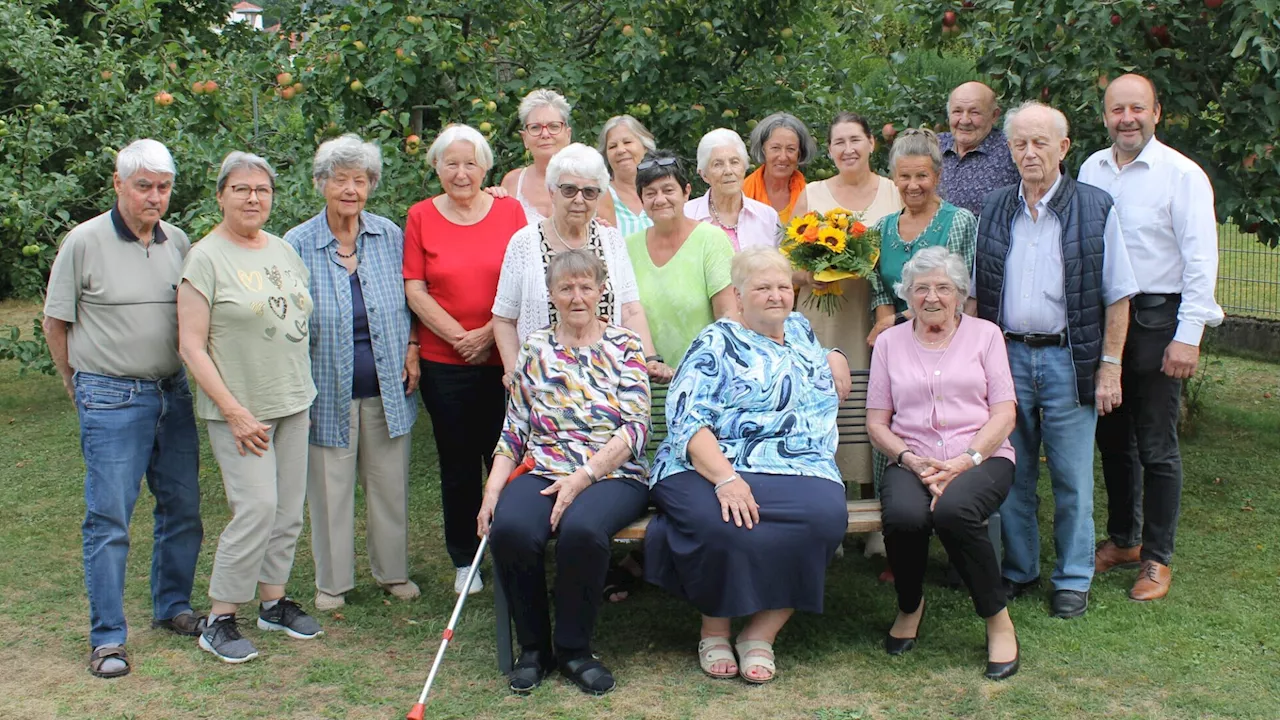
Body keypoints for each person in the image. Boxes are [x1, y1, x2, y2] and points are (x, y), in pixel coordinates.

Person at [645, 248, 853, 685]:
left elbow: (814, 358)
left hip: (798, 463)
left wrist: (835, 355)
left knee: (824, 519)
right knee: (724, 521)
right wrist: (726, 479)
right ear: (738, 296)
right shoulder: (715, 342)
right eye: (762, 288)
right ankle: (715, 628)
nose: (776, 296)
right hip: (711, 460)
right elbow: (688, 420)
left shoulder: (798, 330)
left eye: (782, 287)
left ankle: (760, 632)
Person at [43, 139, 204, 679]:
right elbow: (55, 323)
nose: (154, 197)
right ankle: (108, 639)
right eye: (143, 187)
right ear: (118, 184)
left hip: (172, 392)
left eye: (163, 187)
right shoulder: (83, 241)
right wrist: (76, 384)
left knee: (182, 507)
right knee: (110, 519)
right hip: (110, 396)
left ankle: (173, 607)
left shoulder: (177, 240)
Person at [971, 102, 1139, 619]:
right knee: (1012, 472)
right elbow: (979, 292)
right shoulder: (996, 207)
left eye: (1040, 142)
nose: (1029, 152)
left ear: (1063, 148)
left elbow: (1118, 295)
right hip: (1008, 357)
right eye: (1020, 143)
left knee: (1071, 477)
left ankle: (1072, 577)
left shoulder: (1095, 206)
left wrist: (1109, 365)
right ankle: (1019, 570)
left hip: (1069, 359)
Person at [477, 250, 652, 696]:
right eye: (566, 288)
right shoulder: (535, 348)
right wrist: (493, 490)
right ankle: (534, 649)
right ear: (552, 294)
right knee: (512, 529)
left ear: (601, 291)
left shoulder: (625, 346)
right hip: (542, 468)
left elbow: (635, 428)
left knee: (582, 531)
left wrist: (583, 477)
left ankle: (574, 649)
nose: (577, 296)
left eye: (586, 286)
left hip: (613, 474)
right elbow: (514, 428)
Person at [1080, 73, 1224, 601]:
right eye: (1117, 110)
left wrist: (1189, 336)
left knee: (1158, 446)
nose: (1127, 119)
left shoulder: (1181, 175)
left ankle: (1158, 558)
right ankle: (1124, 540)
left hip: (1161, 319)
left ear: (1157, 112)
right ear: (1105, 115)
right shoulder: (1091, 167)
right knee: (1112, 439)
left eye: (1137, 108)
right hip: (1105, 319)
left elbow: (1201, 260)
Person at [178, 151, 321, 663]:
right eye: (241, 188)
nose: (253, 197)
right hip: (243, 412)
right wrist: (234, 411)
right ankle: (219, 619)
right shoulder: (205, 258)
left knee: (286, 513)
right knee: (255, 509)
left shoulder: (282, 250)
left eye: (262, 189)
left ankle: (274, 602)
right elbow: (191, 346)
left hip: (292, 400)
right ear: (220, 195)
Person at [866, 247, 1020, 680]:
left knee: (955, 512)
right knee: (904, 515)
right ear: (907, 296)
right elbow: (877, 422)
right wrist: (912, 460)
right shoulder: (891, 342)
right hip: (911, 457)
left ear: (959, 294)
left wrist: (964, 461)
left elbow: (1005, 413)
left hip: (982, 456)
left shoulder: (986, 335)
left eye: (943, 288)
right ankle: (910, 605)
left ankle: (997, 620)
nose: (932, 297)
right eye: (921, 289)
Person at [283, 134, 421, 612]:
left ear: (371, 186)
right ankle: (332, 582)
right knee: (329, 491)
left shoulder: (389, 236)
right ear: (321, 183)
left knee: (389, 487)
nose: (349, 189)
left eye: (359, 180)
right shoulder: (296, 243)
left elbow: (412, 301)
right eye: (339, 179)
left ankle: (393, 573)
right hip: (326, 392)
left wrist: (414, 346)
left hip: (388, 389)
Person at [404, 124, 527, 595]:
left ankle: (509, 546)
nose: (461, 173)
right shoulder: (420, 216)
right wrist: (459, 337)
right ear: (436, 167)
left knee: (507, 456)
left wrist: (486, 334)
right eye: (451, 163)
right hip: (444, 362)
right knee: (457, 462)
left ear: (486, 168)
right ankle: (464, 558)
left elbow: (522, 278)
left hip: (503, 360)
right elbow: (415, 287)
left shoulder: (510, 211)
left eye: (470, 163)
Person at [794, 112, 903, 557]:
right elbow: (792, 260)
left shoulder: (895, 190)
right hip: (827, 311)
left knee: (878, 404)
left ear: (871, 143)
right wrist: (811, 276)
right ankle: (833, 511)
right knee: (830, 403)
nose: (847, 149)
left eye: (855, 140)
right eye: (838, 142)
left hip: (878, 314)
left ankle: (877, 514)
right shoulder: (813, 193)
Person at [492, 143, 672, 383]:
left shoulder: (611, 240)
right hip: (542, 382)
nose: (579, 199)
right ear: (552, 191)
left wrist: (650, 358)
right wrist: (514, 371)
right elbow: (504, 318)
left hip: (607, 382)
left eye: (589, 192)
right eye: (569, 190)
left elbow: (630, 309)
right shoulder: (524, 243)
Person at [867, 129, 978, 347]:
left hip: (947, 339)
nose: (913, 185)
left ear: (937, 176)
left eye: (922, 176)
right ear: (894, 178)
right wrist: (889, 338)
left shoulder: (958, 221)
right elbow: (880, 293)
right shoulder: (882, 228)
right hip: (895, 342)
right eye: (905, 177)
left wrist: (898, 321)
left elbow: (957, 294)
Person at [626, 150, 737, 366]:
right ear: (641, 199)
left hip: (705, 377)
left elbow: (728, 314)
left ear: (686, 192)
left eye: (668, 190)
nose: (660, 200)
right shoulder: (627, 247)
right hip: (644, 377)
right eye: (650, 193)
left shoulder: (711, 240)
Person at [499, 89, 618, 226]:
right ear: (525, 138)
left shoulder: (592, 183)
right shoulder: (512, 182)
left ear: (568, 134)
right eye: (535, 127)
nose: (545, 134)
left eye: (553, 126)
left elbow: (612, 240)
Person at [684, 128, 781, 251]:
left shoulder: (767, 217)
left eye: (734, 162)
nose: (728, 171)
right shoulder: (686, 216)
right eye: (718, 164)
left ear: (744, 167)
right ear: (704, 175)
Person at [939, 82, 1020, 217]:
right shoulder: (934, 146)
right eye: (957, 111)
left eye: (974, 112)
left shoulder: (1012, 151)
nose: (964, 120)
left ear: (994, 116)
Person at [743, 112, 817, 221]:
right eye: (775, 148)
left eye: (791, 149)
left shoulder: (811, 197)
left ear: (800, 153)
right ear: (763, 150)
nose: (783, 157)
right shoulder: (740, 194)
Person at [598, 114, 656, 236]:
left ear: (645, 147)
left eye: (627, 142)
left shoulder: (662, 192)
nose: (620, 150)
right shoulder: (601, 195)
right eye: (613, 146)